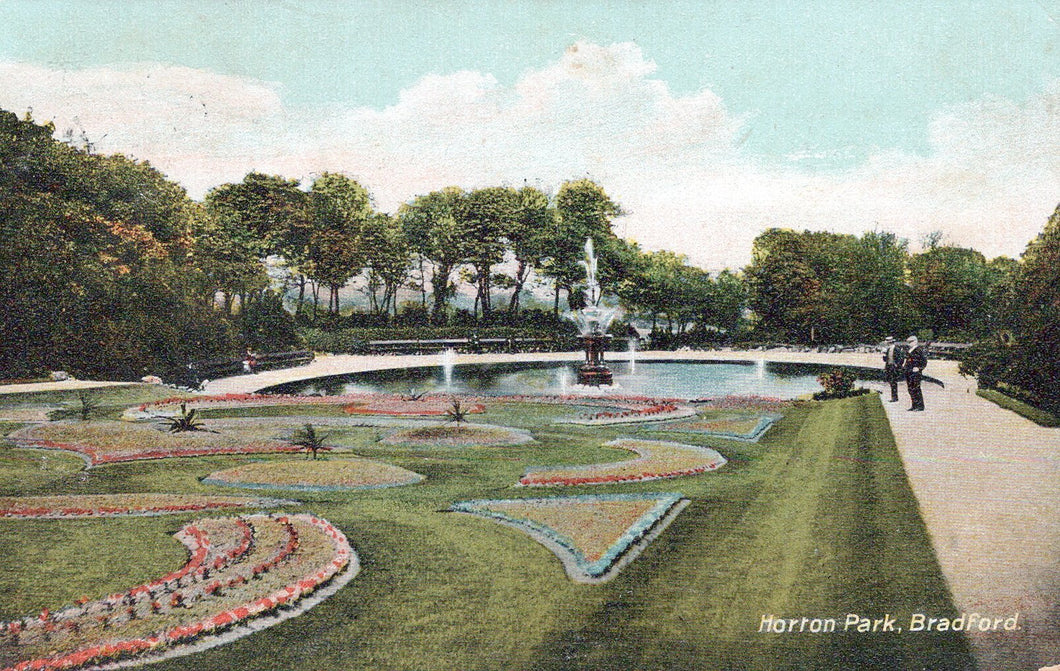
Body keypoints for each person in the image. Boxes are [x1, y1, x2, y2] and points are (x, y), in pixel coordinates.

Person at [903, 335, 927, 411]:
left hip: (916, 372)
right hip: (908, 371)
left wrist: (919, 368)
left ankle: (920, 406)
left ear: (915, 341)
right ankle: (914, 405)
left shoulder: (919, 350)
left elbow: (924, 361)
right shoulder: (909, 350)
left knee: (916, 388)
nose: (909, 344)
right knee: (910, 389)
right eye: (908, 342)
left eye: (911, 342)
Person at [881, 336, 904, 402]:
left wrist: (897, 365)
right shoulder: (888, 350)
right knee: (891, 382)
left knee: (893, 382)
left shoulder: (896, 349)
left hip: (894, 367)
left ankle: (894, 397)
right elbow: (886, 360)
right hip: (889, 367)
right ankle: (894, 397)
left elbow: (901, 358)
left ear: (890, 342)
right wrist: (884, 354)